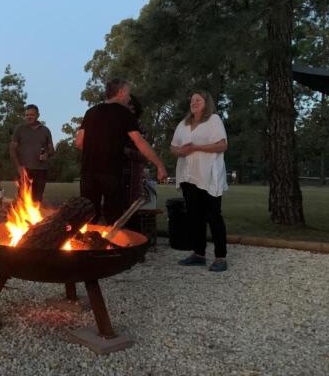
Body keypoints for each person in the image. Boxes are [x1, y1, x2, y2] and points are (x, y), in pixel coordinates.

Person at [75, 78, 167, 225]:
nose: (129, 98)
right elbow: (139, 142)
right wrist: (159, 164)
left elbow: (79, 142)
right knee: (114, 216)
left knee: (89, 215)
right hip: (111, 172)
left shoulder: (90, 112)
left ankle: (87, 245)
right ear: (121, 92)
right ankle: (113, 245)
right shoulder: (125, 114)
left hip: (88, 172)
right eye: (128, 94)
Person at [171, 90, 229, 272]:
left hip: (208, 175)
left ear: (206, 102)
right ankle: (199, 254)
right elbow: (173, 146)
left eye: (198, 100)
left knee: (213, 216)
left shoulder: (213, 120)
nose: (194, 102)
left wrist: (196, 147)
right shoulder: (183, 124)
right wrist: (179, 151)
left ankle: (220, 257)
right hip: (188, 175)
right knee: (194, 216)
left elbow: (222, 145)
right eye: (192, 100)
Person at [9, 104, 54, 203]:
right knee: (22, 198)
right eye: (27, 115)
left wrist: (47, 154)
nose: (29, 117)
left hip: (41, 170)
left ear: (38, 115)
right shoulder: (20, 129)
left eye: (32, 115)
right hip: (25, 169)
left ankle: (35, 218)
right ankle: (20, 217)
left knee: (37, 199)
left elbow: (51, 149)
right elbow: (12, 149)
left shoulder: (45, 130)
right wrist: (18, 167)